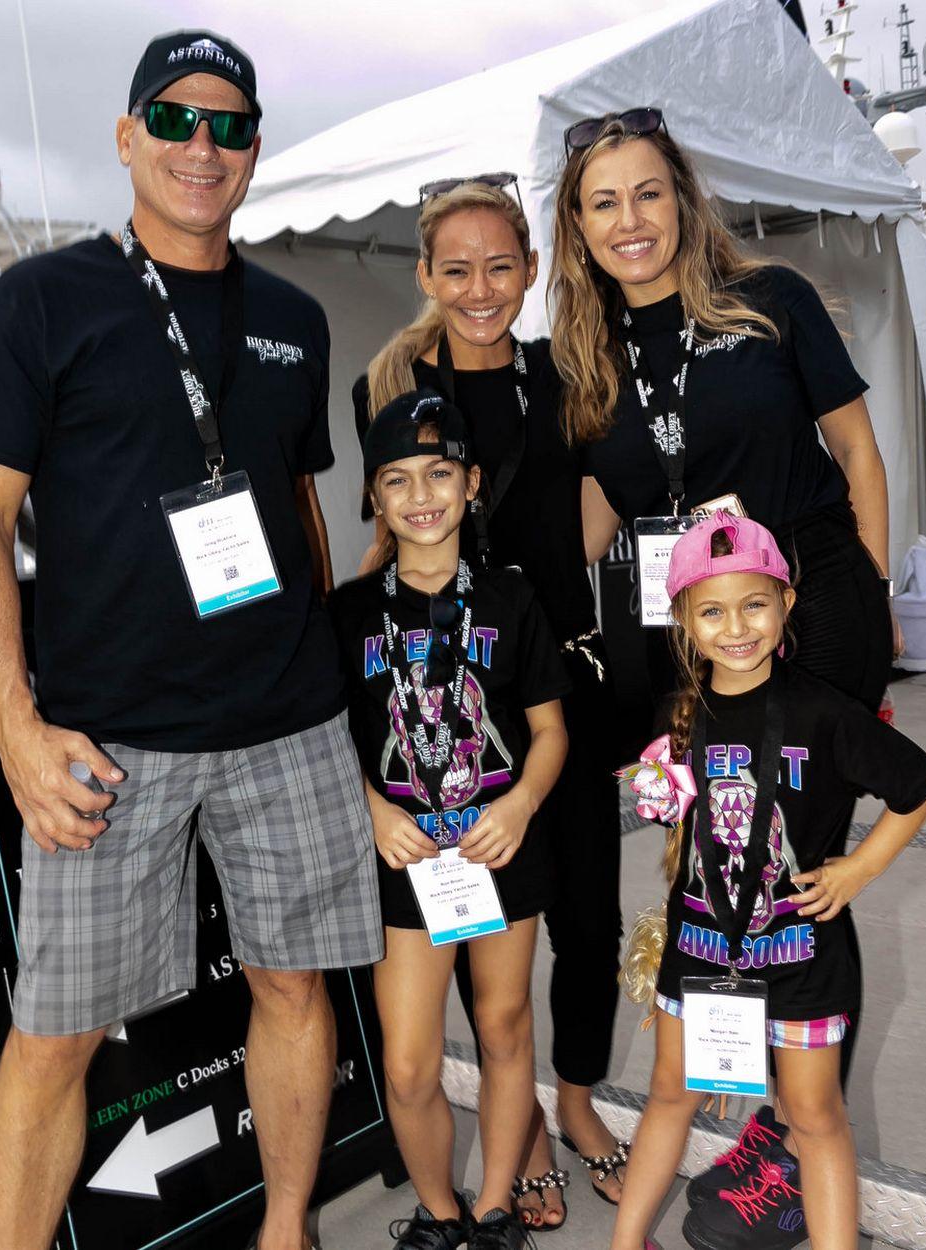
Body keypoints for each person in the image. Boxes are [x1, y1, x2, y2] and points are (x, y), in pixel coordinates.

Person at [0, 30, 381, 1250]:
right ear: (128, 134)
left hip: (288, 724)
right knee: (54, 1035)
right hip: (107, 743)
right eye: (176, 118)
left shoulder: (293, 316)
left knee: (294, 984)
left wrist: (331, 675)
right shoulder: (44, 300)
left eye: (229, 124)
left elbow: (296, 505)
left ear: (254, 149)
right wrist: (16, 732)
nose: (203, 144)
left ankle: (285, 1227)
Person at [549, 106, 898, 1208]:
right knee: (717, 865)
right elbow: (596, 511)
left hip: (811, 613)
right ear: (577, 226)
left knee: (795, 870)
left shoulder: (771, 302)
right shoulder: (586, 358)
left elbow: (857, 450)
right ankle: (761, 1110)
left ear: (684, 198)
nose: (630, 220)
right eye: (603, 202)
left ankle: (794, 1141)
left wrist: (872, 596)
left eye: (648, 192)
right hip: (691, 642)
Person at [353, 178, 627, 1228]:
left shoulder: (564, 374)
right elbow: (382, 527)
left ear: (530, 270)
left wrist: (544, 592)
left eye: (500, 266)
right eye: (457, 268)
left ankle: (576, 1100)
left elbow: (605, 493)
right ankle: (521, 1142)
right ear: (426, 273)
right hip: (439, 688)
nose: (480, 289)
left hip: (550, 674)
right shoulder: (390, 385)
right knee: (477, 911)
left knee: (588, 915)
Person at [609, 512, 926, 1250]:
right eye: (712, 611)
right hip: (701, 953)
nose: (737, 628)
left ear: (786, 602)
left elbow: (919, 784)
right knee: (669, 1093)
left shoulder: (823, 712)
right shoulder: (677, 713)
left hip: (802, 957)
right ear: (683, 618)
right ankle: (626, 1243)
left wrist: (860, 867)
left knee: (815, 1117)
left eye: (755, 604)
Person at [328, 389, 569, 1249]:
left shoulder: (511, 598)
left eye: (438, 473)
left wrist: (520, 802)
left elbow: (549, 731)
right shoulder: (348, 612)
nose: (420, 495)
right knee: (406, 1061)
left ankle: (497, 1208)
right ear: (374, 497)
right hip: (406, 862)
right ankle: (438, 1212)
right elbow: (330, 740)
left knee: (504, 1026)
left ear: (471, 485)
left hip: (500, 847)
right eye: (396, 479)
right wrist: (372, 811)